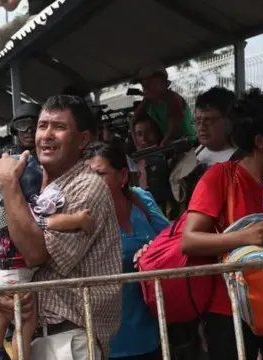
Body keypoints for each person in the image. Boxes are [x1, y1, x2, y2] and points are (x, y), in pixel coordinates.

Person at [0, 94, 121, 359]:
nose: (46, 135)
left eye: (60, 127)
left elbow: (35, 253)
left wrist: (8, 185)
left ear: (83, 139)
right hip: (33, 337)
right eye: (43, 126)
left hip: (67, 341)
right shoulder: (26, 176)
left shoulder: (86, 187)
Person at [182, 88, 263, 360]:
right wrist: (246, 236)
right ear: (260, 142)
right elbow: (190, 241)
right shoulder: (220, 177)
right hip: (230, 313)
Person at [0, 153, 93, 360]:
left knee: (1, 314)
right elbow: (48, 223)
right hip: (16, 275)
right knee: (25, 323)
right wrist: (77, 219)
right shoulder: (24, 212)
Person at [85, 142, 169, 360]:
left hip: (154, 330)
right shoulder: (81, 217)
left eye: (100, 174)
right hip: (108, 341)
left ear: (123, 176)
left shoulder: (141, 199)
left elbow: (171, 240)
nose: (90, 184)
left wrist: (152, 252)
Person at [0, 102, 40, 199]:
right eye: (22, 125)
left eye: (34, 125)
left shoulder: (47, 156)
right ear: (16, 130)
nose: (29, 131)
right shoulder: (3, 155)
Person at [132, 64, 196, 147]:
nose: (145, 88)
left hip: (189, 144)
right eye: (143, 85)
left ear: (163, 83)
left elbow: (173, 128)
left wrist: (161, 145)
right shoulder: (147, 102)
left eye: (149, 83)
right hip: (170, 146)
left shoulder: (173, 98)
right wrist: (137, 145)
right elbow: (133, 120)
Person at [194, 86, 241, 165]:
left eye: (208, 120)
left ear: (228, 122)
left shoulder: (239, 162)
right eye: (198, 120)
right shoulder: (200, 149)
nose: (201, 127)